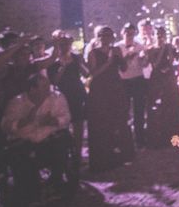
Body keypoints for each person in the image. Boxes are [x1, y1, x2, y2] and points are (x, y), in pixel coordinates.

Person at [1, 72, 72, 207]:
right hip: (24, 142)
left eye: (48, 86)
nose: (48, 89)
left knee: (61, 144)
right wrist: (26, 120)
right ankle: (29, 194)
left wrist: (54, 121)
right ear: (32, 89)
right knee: (19, 155)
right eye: (44, 87)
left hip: (49, 140)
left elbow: (67, 117)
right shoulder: (17, 102)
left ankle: (56, 183)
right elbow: (6, 126)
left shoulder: (57, 98)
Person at [84, 25, 133, 172]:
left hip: (115, 88)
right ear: (99, 37)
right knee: (102, 124)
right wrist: (109, 61)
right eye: (104, 36)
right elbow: (92, 73)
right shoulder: (93, 52)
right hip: (100, 90)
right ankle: (103, 158)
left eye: (109, 36)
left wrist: (120, 57)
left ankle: (120, 155)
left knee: (118, 121)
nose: (107, 39)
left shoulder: (116, 50)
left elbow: (124, 69)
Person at [47, 30, 87, 181]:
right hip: (61, 96)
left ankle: (77, 156)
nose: (65, 47)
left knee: (78, 124)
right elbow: (54, 81)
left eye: (67, 44)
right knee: (62, 126)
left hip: (77, 93)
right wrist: (63, 66)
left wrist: (80, 63)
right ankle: (63, 157)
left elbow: (85, 73)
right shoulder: (52, 60)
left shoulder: (75, 57)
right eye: (62, 44)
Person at [117, 22, 151, 147]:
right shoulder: (118, 47)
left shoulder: (140, 46)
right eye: (127, 32)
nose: (129, 35)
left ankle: (140, 139)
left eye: (132, 33)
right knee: (124, 111)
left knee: (139, 110)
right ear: (122, 33)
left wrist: (144, 58)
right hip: (124, 81)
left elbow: (145, 65)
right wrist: (128, 56)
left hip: (138, 79)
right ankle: (126, 141)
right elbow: (119, 67)